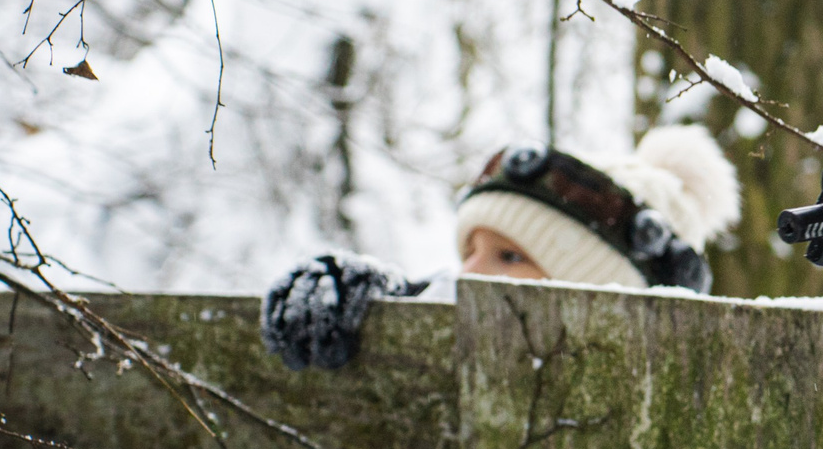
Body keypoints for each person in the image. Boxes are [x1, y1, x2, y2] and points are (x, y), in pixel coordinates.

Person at [261, 124, 740, 371]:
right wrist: (365, 293)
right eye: (470, 252)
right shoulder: (452, 321)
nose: (468, 274)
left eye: (510, 257)